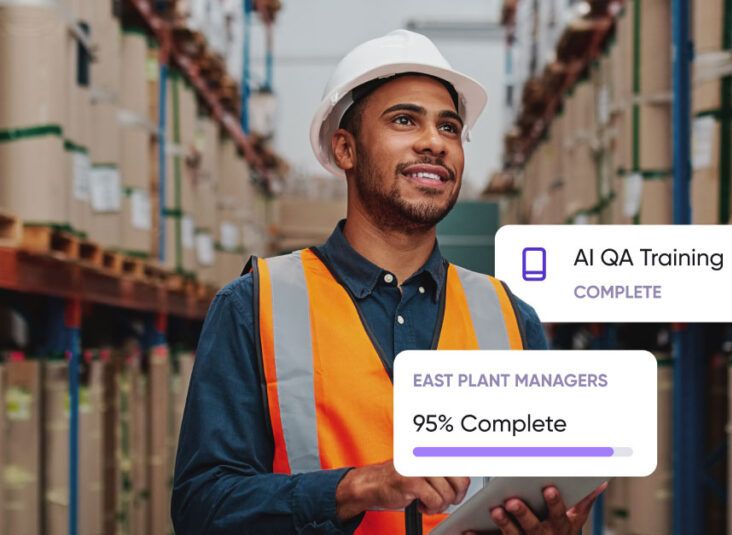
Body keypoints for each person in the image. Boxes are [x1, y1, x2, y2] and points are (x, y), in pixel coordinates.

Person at [171, 30, 605, 534]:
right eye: (404, 120)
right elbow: (201, 507)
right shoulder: (255, 305)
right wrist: (353, 488)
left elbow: (536, 487)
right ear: (345, 150)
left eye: (449, 127)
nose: (433, 142)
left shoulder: (509, 317)